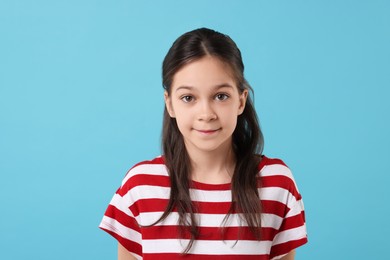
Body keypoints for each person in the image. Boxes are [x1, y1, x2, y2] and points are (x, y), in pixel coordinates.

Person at [99, 28, 307, 260]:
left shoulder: (276, 183)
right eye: (188, 98)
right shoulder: (139, 187)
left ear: (241, 100)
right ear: (170, 104)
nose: (206, 114)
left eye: (220, 96)